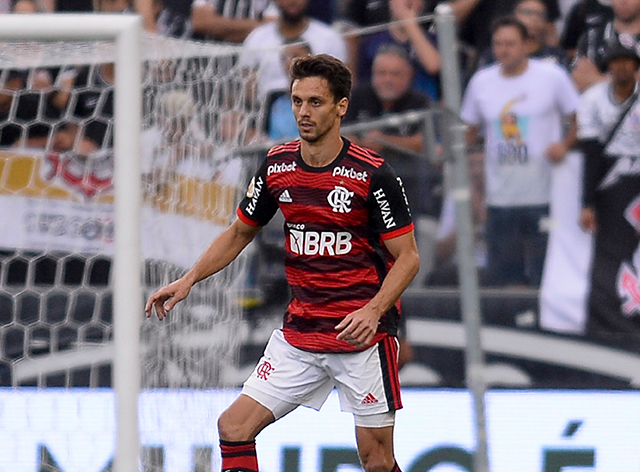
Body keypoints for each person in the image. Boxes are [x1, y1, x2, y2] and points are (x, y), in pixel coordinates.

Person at [146, 54, 420, 472]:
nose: (303, 112)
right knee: (234, 427)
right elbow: (240, 231)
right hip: (301, 334)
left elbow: (408, 258)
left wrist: (373, 309)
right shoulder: (278, 166)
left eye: (315, 102)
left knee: (378, 461)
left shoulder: (372, 174)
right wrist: (190, 279)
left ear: (341, 106)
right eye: (296, 101)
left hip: (361, 338)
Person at [461, 16, 580, 287]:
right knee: (502, 275)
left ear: (527, 44)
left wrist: (564, 144)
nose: (504, 50)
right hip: (500, 197)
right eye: (498, 44)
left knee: (544, 272)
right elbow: (469, 131)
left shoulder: (552, 76)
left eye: (511, 43)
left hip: (544, 194)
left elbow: (579, 118)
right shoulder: (482, 81)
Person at [344, 44, 437, 285]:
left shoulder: (420, 102)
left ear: (409, 77)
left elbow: (423, 142)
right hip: (359, 198)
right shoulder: (357, 97)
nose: (387, 80)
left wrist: (382, 140)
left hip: (408, 198)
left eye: (395, 74)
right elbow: (340, 136)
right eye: (381, 73)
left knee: (406, 261)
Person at [578, 39, 640, 337]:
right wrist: (587, 202)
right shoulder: (593, 99)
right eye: (616, 61)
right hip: (611, 181)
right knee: (613, 247)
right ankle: (609, 318)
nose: (622, 66)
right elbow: (590, 153)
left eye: (628, 60)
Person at [239, 0, 347, 100]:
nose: (293, 1)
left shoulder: (329, 38)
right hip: (266, 112)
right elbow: (248, 88)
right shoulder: (257, 39)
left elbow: (341, 86)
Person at [475, 0, 568, 70]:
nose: (534, 18)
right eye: (528, 13)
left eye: (540, 14)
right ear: (514, 15)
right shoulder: (493, 54)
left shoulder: (555, 55)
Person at [571, 0, 640, 92]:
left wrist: (597, 79)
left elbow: (588, 80)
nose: (623, 1)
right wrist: (630, 79)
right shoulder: (593, 36)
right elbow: (579, 78)